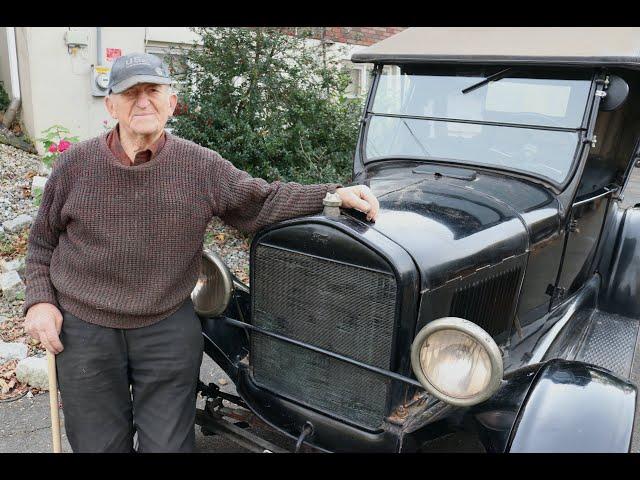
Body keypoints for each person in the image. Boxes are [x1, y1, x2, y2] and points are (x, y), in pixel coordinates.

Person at [22, 52, 379, 453]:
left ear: (171, 102)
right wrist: (39, 303)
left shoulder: (200, 167)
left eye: (153, 91)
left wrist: (331, 195)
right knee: (98, 447)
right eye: (131, 93)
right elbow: (40, 247)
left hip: (165, 327)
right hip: (85, 327)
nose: (143, 102)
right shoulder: (74, 166)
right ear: (111, 105)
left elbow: (260, 202)